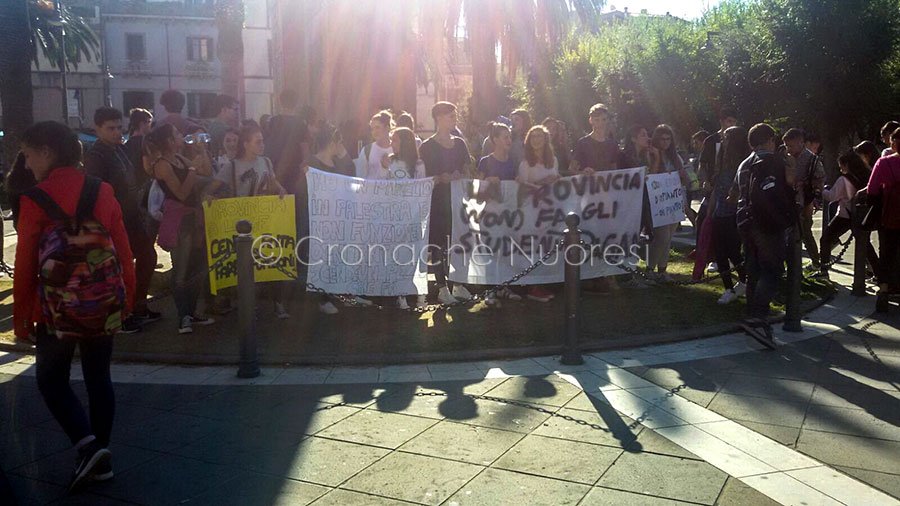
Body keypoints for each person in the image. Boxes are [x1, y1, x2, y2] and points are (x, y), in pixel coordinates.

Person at [14, 121, 136, 491]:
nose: (28, 162)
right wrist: (127, 299)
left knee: (50, 380)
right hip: (103, 302)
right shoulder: (102, 191)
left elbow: (25, 264)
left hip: (56, 311)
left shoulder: (35, 198)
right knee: (99, 378)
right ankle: (100, 456)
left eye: (29, 154)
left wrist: (22, 317)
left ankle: (88, 447)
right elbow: (123, 248)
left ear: (47, 153)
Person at [84, 107, 159, 332]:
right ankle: (120, 314)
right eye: (110, 128)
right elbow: (96, 192)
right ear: (97, 129)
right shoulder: (96, 156)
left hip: (131, 216)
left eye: (118, 127)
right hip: (113, 222)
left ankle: (137, 306)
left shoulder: (120, 150)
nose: (117, 132)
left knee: (147, 257)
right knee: (117, 269)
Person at [211, 124, 290, 319]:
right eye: (258, 141)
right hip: (243, 223)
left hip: (265, 219)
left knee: (272, 261)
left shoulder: (266, 162)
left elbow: (273, 184)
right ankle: (249, 306)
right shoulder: (232, 166)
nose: (262, 144)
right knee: (248, 267)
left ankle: (277, 303)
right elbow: (210, 190)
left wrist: (280, 190)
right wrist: (211, 199)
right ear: (246, 144)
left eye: (262, 140)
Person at [143, 124, 215, 334]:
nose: (181, 136)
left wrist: (202, 153)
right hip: (179, 221)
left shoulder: (180, 158)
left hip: (194, 219)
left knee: (198, 267)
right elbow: (181, 193)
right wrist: (193, 169)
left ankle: (191, 313)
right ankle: (183, 316)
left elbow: (208, 174)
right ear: (168, 141)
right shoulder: (162, 165)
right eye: (176, 134)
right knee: (181, 270)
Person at [734, 123, 795, 341]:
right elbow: (788, 187)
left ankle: (751, 315)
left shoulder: (744, 164)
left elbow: (738, 192)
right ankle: (758, 315)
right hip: (768, 223)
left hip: (745, 221)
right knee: (772, 270)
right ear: (770, 140)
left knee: (754, 270)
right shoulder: (774, 161)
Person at [304, 124, 369, 314]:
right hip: (322, 220)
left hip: (341, 218)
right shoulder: (311, 164)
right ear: (332, 141)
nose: (341, 145)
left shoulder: (338, 163)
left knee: (342, 256)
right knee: (324, 258)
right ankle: (323, 299)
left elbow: (351, 172)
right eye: (339, 141)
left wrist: (342, 153)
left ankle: (345, 293)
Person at [420, 102, 474, 305]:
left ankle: (458, 283)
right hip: (437, 201)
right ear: (439, 118)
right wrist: (439, 177)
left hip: (458, 200)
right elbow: (424, 176)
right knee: (438, 244)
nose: (454, 119)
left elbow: (469, 169)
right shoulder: (426, 146)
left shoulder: (460, 143)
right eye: (451, 116)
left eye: (455, 116)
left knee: (459, 241)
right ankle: (442, 287)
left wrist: (461, 174)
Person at [476, 122, 524, 305]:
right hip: (489, 215)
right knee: (490, 251)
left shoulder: (512, 162)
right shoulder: (485, 161)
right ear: (495, 139)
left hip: (507, 216)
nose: (508, 140)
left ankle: (504, 286)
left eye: (509, 136)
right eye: (505, 137)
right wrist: (488, 181)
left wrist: (517, 182)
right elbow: (477, 192)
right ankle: (490, 290)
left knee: (505, 250)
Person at [818, 150, 877, 278]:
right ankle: (878, 273)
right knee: (865, 245)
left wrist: (822, 189)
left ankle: (823, 271)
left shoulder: (843, 180)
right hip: (860, 216)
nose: (840, 169)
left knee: (826, 239)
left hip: (845, 216)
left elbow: (832, 196)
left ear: (846, 165)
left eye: (841, 166)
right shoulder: (866, 176)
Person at [517, 125, 559, 302]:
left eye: (539, 136)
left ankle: (544, 282)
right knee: (532, 247)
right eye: (532, 136)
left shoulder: (554, 160)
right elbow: (522, 188)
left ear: (545, 140)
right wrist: (543, 181)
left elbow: (556, 183)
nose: (536, 140)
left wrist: (555, 181)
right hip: (531, 211)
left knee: (547, 247)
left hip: (549, 210)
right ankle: (532, 286)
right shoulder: (525, 163)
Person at [710, 126, 749, 303]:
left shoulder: (742, 165)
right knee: (720, 252)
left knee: (733, 251)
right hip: (720, 212)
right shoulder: (722, 162)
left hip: (733, 214)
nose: (723, 141)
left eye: (726, 138)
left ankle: (743, 281)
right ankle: (730, 287)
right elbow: (718, 190)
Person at [646, 125, 688, 281]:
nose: (665, 142)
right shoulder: (651, 154)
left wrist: (683, 174)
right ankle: (649, 269)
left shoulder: (675, 157)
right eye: (662, 139)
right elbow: (651, 176)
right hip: (657, 201)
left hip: (673, 200)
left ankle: (662, 270)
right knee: (662, 237)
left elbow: (685, 178)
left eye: (668, 139)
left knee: (669, 236)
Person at [867, 128, 900, 311]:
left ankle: (884, 290)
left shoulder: (884, 163)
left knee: (887, 253)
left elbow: (872, 190)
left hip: (890, 215)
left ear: (893, 143)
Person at [783, 128, 825, 270]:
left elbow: (820, 180)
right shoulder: (783, 155)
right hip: (786, 199)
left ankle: (816, 262)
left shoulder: (812, 159)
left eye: (791, 145)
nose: (789, 149)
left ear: (801, 143)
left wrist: (806, 184)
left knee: (805, 232)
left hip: (804, 200)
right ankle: (789, 265)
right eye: (787, 145)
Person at [266, 89, 311, 186]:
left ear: (280, 102)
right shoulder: (301, 123)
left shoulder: (272, 121)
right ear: (296, 103)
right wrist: (305, 164)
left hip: (275, 166)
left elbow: (267, 144)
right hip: (294, 166)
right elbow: (304, 147)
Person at [572, 103, 619, 174]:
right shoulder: (583, 143)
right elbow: (571, 169)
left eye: (604, 119)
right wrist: (582, 172)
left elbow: (614, 169)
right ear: (591, 121)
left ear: (607, 120)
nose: (601, 123)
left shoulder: (612, 144)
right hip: (588, 183)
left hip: (606, 184)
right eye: (597, 120)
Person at [357, 110, 394, 179]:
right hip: (371, 189)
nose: (374, 132)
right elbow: (360, 177)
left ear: (387, 128)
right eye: (372, 129)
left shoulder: (397, 149)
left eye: (377, 127)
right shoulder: (366, 150)